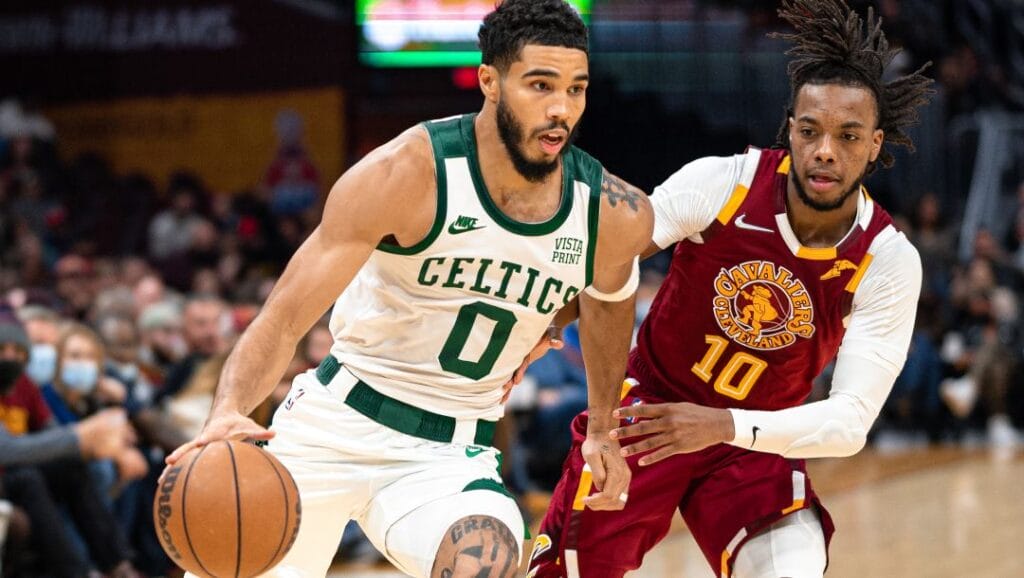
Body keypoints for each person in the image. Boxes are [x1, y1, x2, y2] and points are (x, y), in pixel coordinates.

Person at [166, 1, 652, 577]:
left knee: (491, 560)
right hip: (333, 422)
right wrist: (227, 410)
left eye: (576, 89)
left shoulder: (613, 212)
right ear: (490, 81)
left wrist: (597, 419)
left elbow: (607, 303)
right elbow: (284, 318)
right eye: (540, 85)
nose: (559, 109)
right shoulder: (404, 173)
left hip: (448, 456)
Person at [528, 1, 933, 577]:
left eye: (848, 136)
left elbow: (847, 425)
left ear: (874, 144)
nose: (825, 151)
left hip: (756, 439)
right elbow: (607, 264)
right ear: (790, 129)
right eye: (811, 130)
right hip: (649, 414)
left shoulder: (886, 258)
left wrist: (721, 426)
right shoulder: (723, 185)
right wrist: (540, 328)